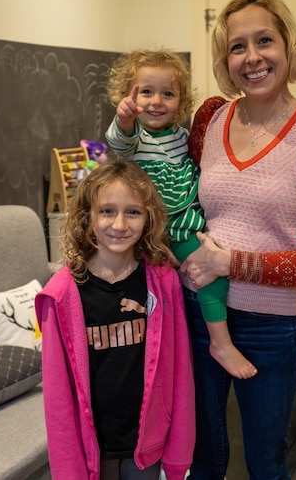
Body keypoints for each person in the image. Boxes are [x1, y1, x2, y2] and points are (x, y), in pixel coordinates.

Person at [178, 0, 296, 478]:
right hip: (197, 311)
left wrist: (228, 262)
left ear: (288, 45)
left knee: (267, 462)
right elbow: (178, 196)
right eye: (237, 46)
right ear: (226, 61)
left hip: (270, 326)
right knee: (201, 458)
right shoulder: (210, 119)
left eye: (264, 41)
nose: (252, 57)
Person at [35, 160, 195, 480]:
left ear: (148, 217)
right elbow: (57, 398)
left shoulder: (164, 283)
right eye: (107, 211)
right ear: (87, 216)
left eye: (132, 212)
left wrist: (179, 453)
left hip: (145, 448)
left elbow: (180, 369)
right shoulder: (62, 296)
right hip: (93, 452)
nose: (119, 224)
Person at [106, 49, 257, 379]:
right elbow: (119, 139)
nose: (156, 101)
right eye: (145, 92)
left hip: (183, 231)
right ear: (127, 96)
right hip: (152, 234)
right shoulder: (136, 139)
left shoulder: (180, 138)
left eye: (168, 93)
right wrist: (126, 117)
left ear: (181, 101)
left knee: (212, 280)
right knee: (153, 296)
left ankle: (220, 343)